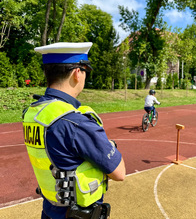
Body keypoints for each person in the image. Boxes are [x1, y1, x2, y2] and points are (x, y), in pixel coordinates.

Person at [22, 42, 126, 219]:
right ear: (77, 73)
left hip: (49, 209)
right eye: (85, 71)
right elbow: (119, 172)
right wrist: (108, 145)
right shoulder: (76, 122)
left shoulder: (33, 113)